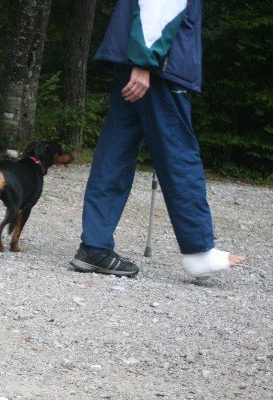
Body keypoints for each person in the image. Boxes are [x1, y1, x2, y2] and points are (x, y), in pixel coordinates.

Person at [69, 0, 245, 279]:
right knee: (179, 157)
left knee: (115, 154)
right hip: (156, 66)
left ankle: (94, 246)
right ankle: (199, 252)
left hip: (135, 59)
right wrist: (144, 62)